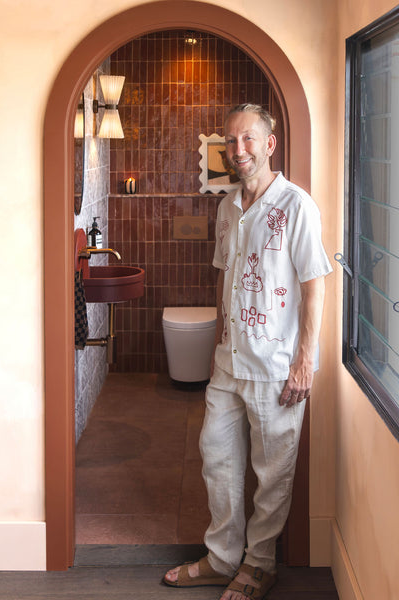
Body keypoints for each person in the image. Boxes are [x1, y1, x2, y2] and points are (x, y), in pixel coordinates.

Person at [163, 104, 332, 600]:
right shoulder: (227, 208)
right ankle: (221, 559)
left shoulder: (296, 206)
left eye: (248, 139)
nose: (238, 150)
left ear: (269, 144)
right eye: (231, 141)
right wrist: (217, 337)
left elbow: (314, 285)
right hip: (228, 363)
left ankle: (259, 565)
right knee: (216, 458)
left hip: (277, 368)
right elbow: (226, 280)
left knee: (272, 473)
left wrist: (304, 361)